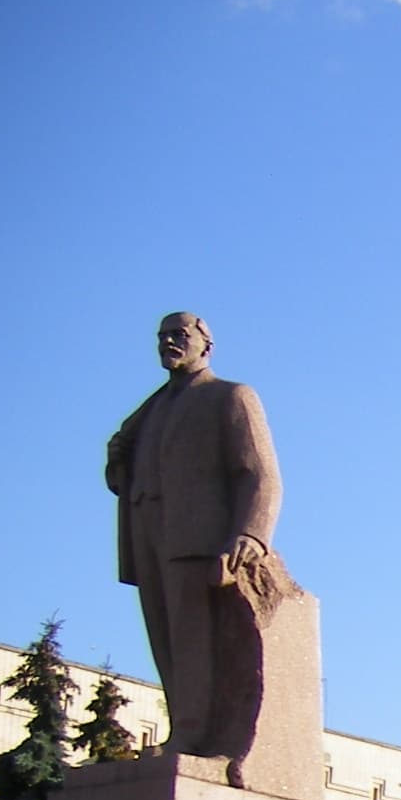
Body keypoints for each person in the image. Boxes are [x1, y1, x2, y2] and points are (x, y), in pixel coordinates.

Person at [105, 312, 285, 760]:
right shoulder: (149, 410)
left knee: (191, 641)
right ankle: (181, 729)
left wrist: (251, 533)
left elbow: (261, 473)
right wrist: (118, 461)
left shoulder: (231, 397)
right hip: (148, 533)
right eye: (162, 336)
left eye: (179, 335)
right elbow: (124, 477)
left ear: (207, 344)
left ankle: (192, 735)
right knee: (164, 642)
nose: (169, 342)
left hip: (197, 540)